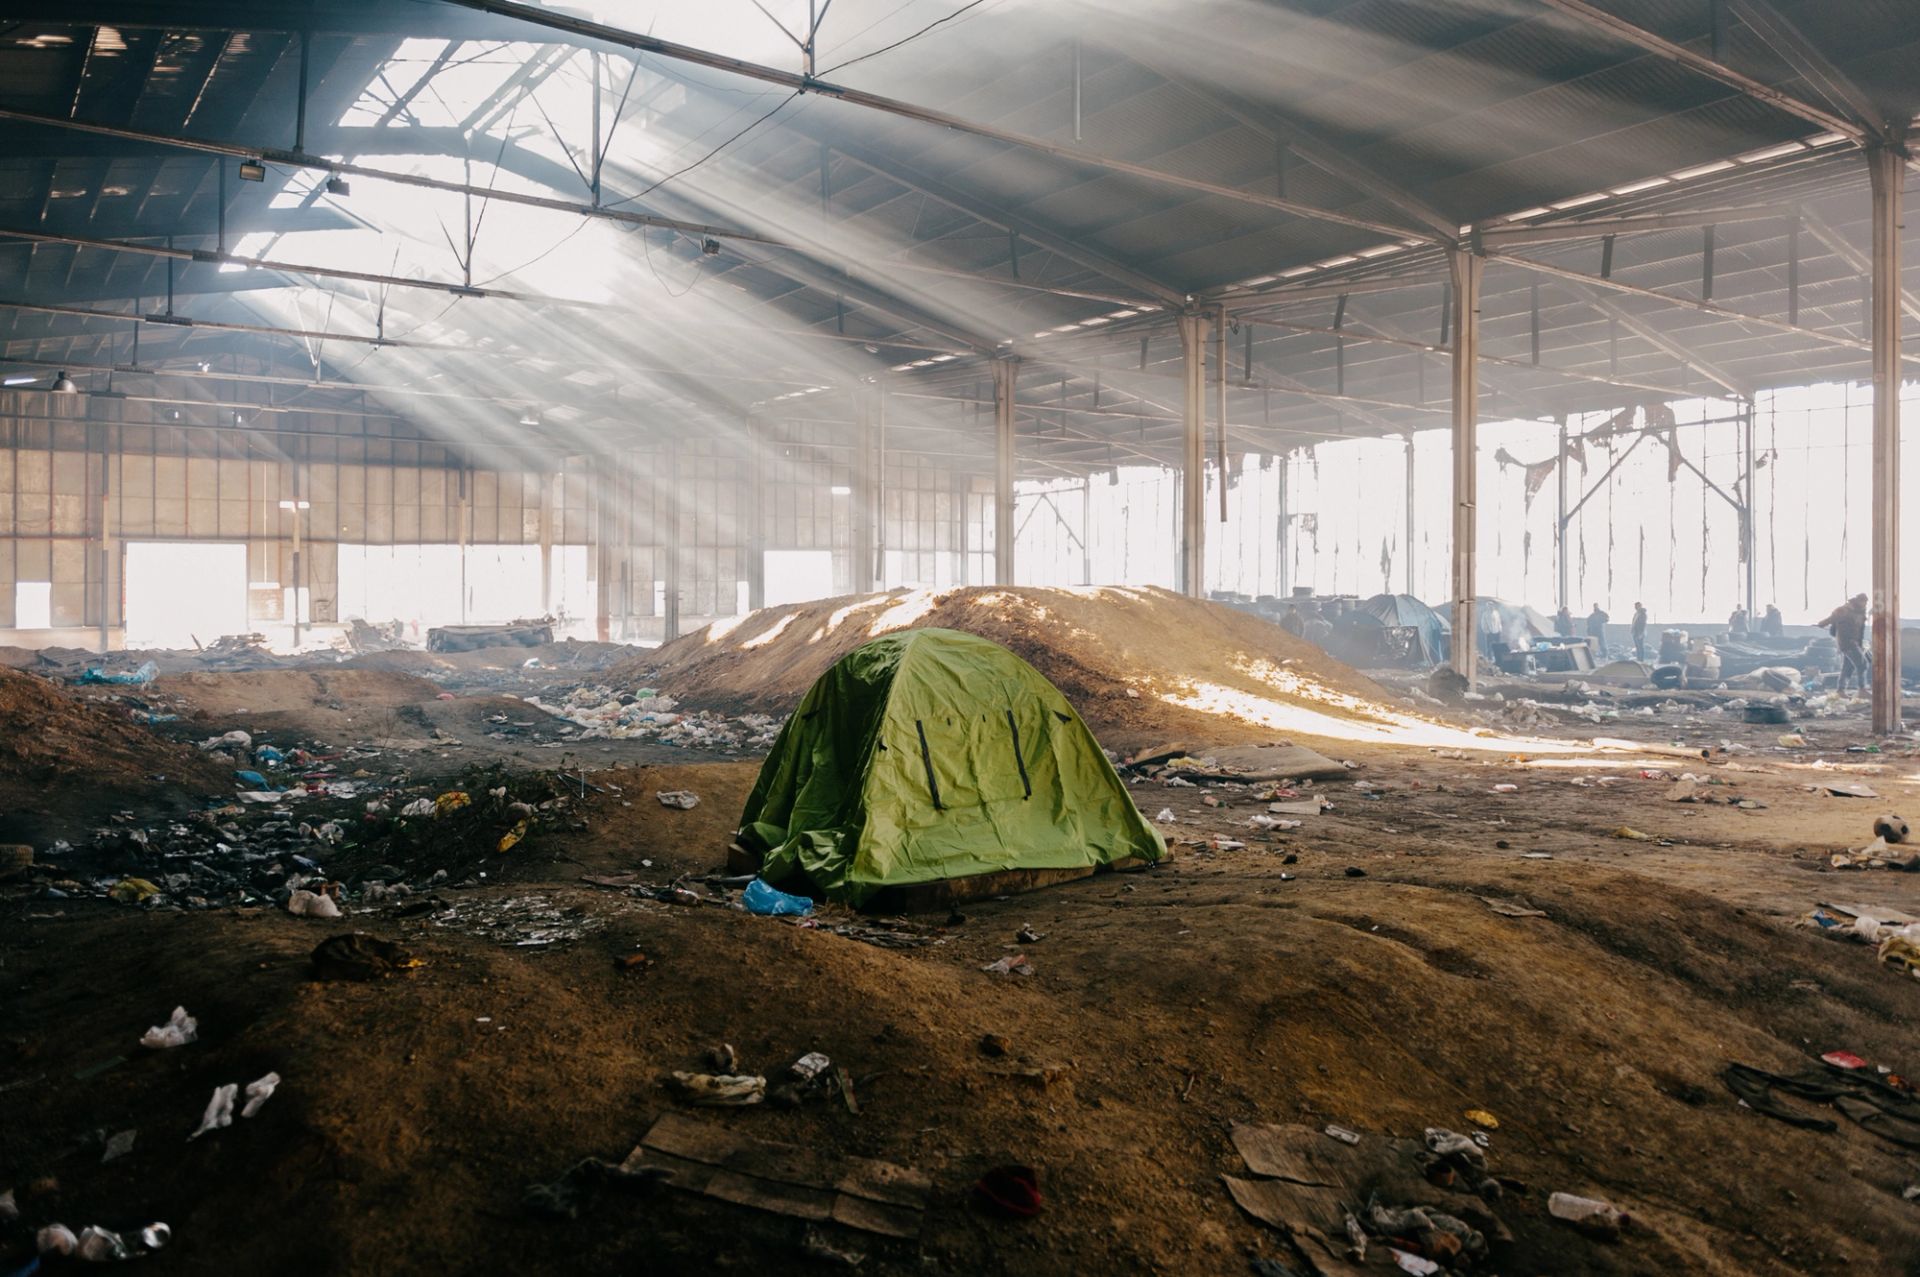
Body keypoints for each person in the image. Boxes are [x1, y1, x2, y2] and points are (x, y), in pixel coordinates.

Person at [1818, 593, 1871, 695]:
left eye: (1866, 602)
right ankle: (1862, 689)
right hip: (1846, 642)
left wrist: (1860, 643)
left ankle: (1840, 690)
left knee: (1848, 667)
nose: (1865, 604)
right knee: (1862, 664)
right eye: (1863, 602)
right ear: (1858, 601)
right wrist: (1822, 623)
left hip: (1855, 642)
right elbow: (1831, 618)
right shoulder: (1844, 610)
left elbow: (1860, 630)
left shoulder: (1861, 612)